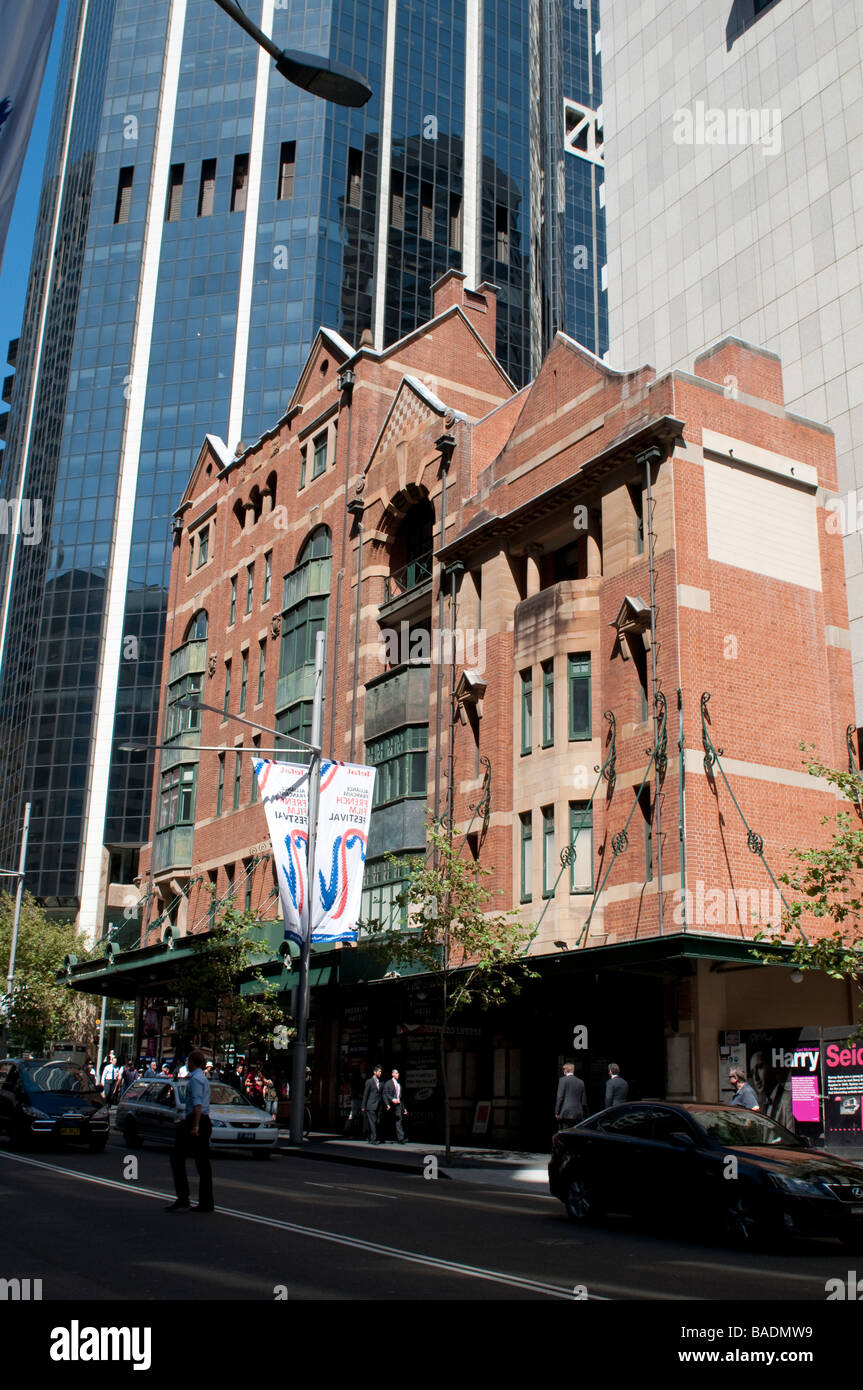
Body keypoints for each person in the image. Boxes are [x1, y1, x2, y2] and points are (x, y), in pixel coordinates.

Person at [166, 1048, 214, 1213]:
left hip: (196, 1120)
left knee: (178, 1157)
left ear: (193, 1062)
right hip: (200, 1120)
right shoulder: (202, 1078)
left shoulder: (195, 1080)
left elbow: (198, 1104)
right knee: (202, 1162)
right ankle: (205, 1202)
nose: (186, 1063)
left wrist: (195, 1125)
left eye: (188, 1061)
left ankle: (184, 1198)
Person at [555, 1063, 587, 1127]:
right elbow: (583, 1101)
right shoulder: (581, 1082)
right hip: (578, 1113)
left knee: (565, 1133)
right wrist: (585, 1113)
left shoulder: (562, 1080)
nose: (563, 1071)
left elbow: (560, 1097)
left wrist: (557, 1112)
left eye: (563, 1069)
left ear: (566, 1070)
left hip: (565, 1113)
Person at [383, 1068, 408, 1143]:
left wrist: (404, 1108)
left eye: (398, 1073)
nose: (398, 1074)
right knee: (389, 1121)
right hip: (390, 1105)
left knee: (399, 1120)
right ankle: (385, 1137)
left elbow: (400, 1097)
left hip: (398, 1104)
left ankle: (401, 1138)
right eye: (396, 1073)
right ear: (392, 1074)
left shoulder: (399, 1084)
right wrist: (391, 1100)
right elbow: (385, 1093)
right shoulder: (388, 1083)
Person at [361, 1065, 384, 1144]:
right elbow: (365, 1094)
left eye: (381, 1071)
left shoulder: (380, 1083)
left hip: (378, 1106)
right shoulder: (369, 1082)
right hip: (370, 1106)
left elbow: (381, 1094)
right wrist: (363, 1106)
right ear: (375, 1072)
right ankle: (374, 1139)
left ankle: (370, 1137)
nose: (381, 1073)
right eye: (379, 1071)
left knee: (376, 1122)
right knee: (373, 1122)